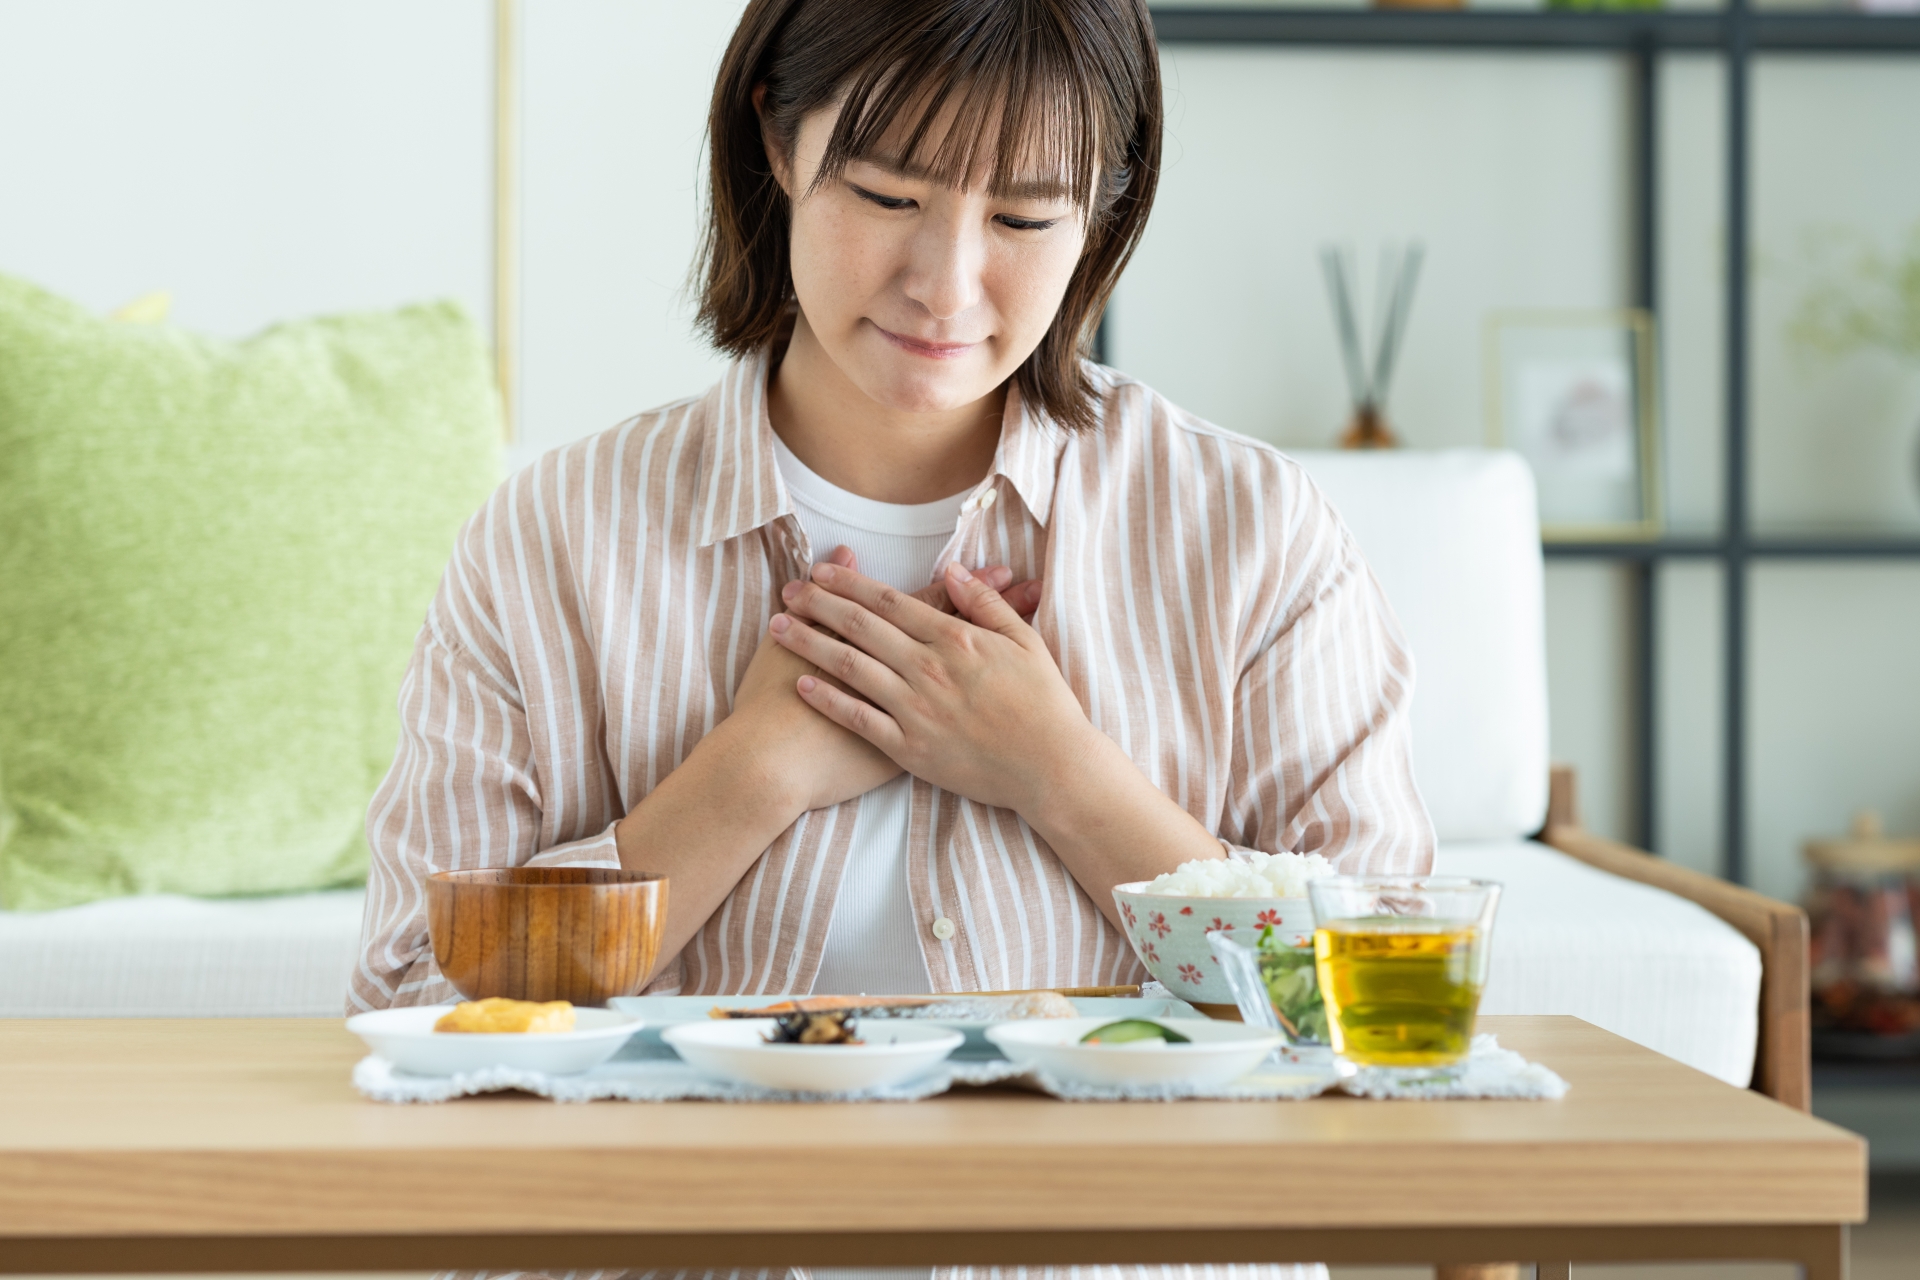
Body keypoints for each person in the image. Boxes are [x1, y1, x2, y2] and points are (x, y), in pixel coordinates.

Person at [356, 0, 1430, 1272]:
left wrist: (1063, 777)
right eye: (887, 194)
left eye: (1024, 218)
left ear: (1105, 208)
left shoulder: (1250, 530)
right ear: (777, 138)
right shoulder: (556, 537)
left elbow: (1393, 1012)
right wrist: (750, 774)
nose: (947, 283)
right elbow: (415, 1014)